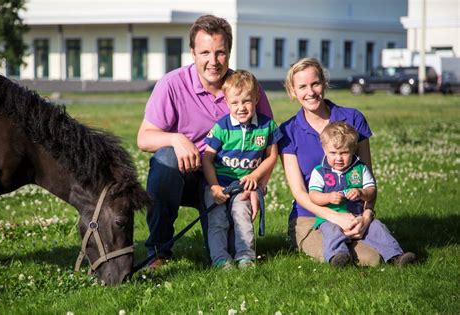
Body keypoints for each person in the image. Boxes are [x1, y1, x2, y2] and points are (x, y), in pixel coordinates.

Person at [136, 15, 273, 268]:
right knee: (165, 159)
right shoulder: (172, 84)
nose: (213, 61)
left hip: (229, 180)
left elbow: (266, 145)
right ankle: (158, 251)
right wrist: (176, 138)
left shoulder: (247, 89)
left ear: (229, 52)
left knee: (227, 254)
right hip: (186, 175)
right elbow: (143, 138)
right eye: (205, 52)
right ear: (193, 52)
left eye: (220, 52)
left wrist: (257, 187)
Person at [278, 57, 382, 266]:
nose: (311, 92)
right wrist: (334, 217)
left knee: (377, 256)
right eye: (302, 87)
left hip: (353, 213)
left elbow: (367, 177)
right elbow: (299, 192)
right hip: (311, 217)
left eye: (315, 83)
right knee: (360, 258)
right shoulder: (288, 131)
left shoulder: (352, 118)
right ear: (293, 91)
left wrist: (367, 215)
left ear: (324, 83)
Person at [202, 70, 281, 269]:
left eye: (246, 101)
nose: (241, 108)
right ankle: (220, 259)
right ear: (227, 103)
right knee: (218, 221)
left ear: (256, 99)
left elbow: (272, 156)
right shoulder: (222, 127)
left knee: (242, 216)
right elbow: (207, 159)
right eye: (235, 103)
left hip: (244, 186)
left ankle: (246, 257)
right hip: (219, 184)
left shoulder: (267, 126)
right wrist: (213, 187)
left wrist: (256, 176)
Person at [308, 121, 415, 266]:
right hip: (330, 218)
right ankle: (338, 256)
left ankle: (396, 256)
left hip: (358, 217)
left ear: (353, 150)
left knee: (377, 227)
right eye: (333, 153)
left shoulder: (360, 169)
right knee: (332, 232)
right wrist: (328, 197)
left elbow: (372, 191)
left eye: (344, 153)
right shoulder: (320, 172)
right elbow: (313, 195)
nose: (338, 158)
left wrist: (361, 193)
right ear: (325, 149)